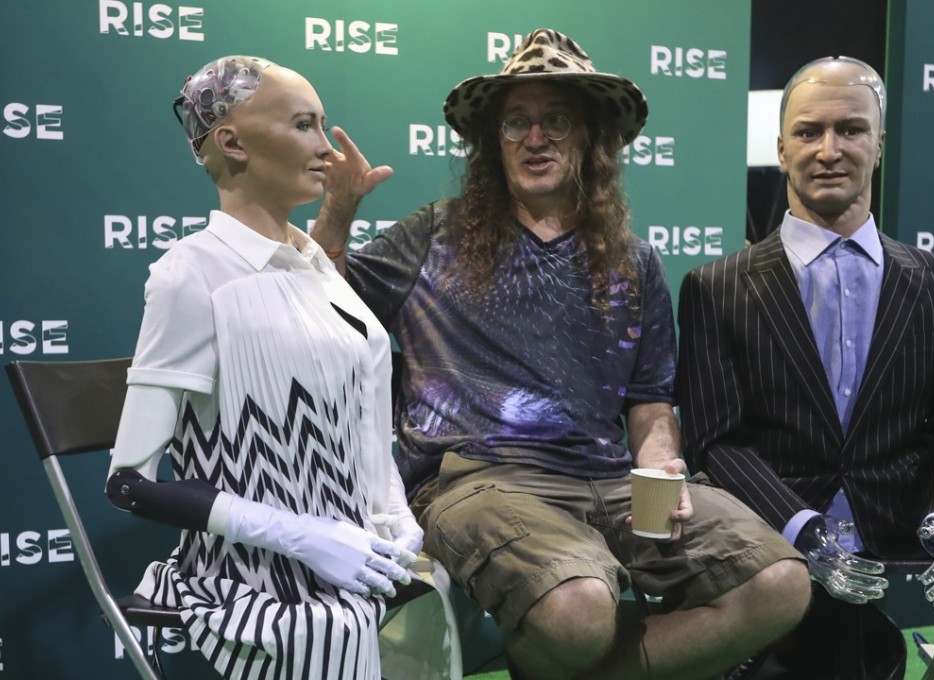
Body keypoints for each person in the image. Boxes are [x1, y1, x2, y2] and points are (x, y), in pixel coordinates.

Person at [311, 28, 810, 680]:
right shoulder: (434, 234)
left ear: (591, 139)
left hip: (611, 480)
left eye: (556, 121)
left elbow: (649, 401)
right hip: (479, 478)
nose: (535, 138)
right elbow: (323, 311)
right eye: (516, 122)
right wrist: (338, 209)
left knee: (780, 584)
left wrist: (661, 466)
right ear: (493, 141)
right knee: (578, 608)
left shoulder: (634, 259)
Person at [675, 56, 934, 678]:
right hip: (767, 556)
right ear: (781, 149)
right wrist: (803, 530)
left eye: (851, 129)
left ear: (879, 144)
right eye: (808, 132)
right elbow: (715, 441)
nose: (829, 150)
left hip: (894, 551)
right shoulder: (715, 288)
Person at [105, 55, 424, 679]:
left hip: (355, 559)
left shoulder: (317, 268)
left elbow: (359, 422)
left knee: (424, 615)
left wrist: (396, 517)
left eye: (323, 124)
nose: (327, 148)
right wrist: (303, 536)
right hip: (253, 579)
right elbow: (130, 483)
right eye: (304, 125)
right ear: (232, 142)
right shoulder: (191, 273)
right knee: (336, 630)